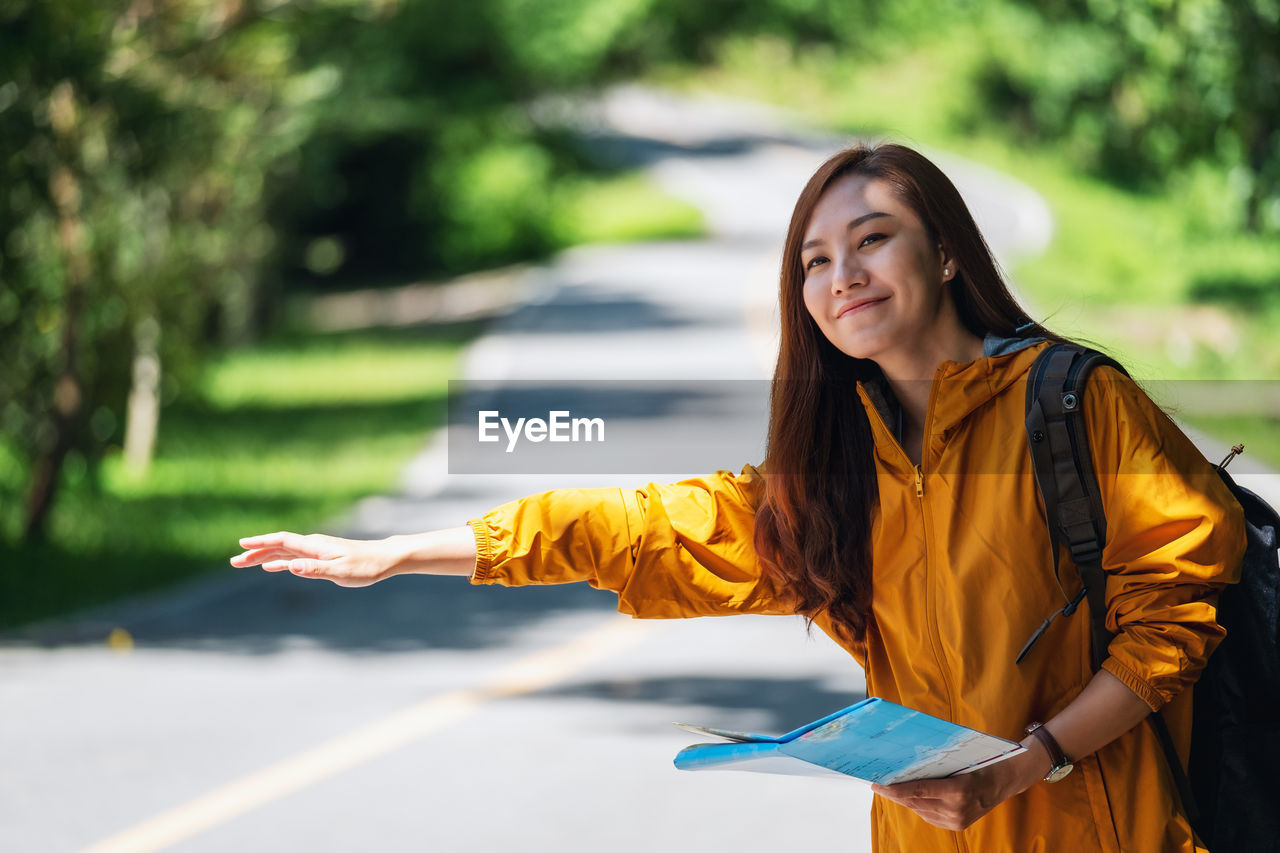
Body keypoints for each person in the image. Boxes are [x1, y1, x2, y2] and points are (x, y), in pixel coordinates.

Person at [231, 144, 1245, 852]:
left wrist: (1028, 764)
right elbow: (643, 532)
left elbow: (1174, 618)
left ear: (942, 253)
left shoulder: (1069, 403)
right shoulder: (842, 467)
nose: (839, 275)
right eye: (812, 259)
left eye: (870, 239)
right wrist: (405, 549)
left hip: (1107, 830)